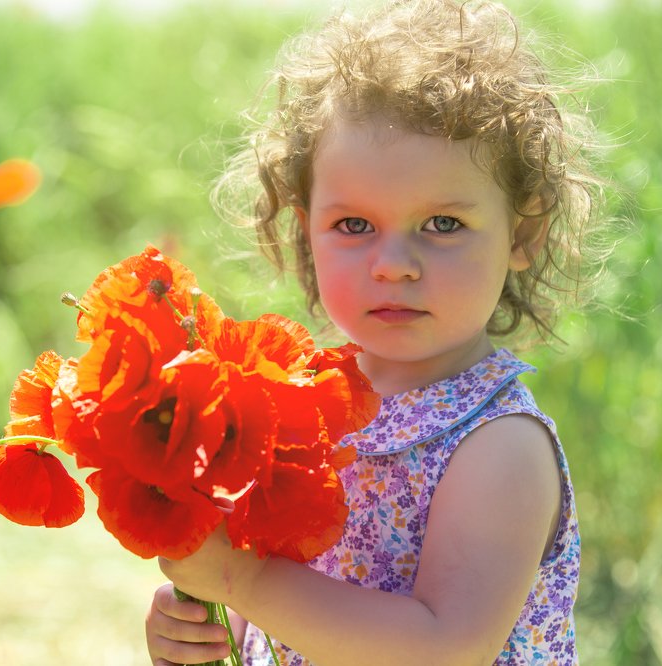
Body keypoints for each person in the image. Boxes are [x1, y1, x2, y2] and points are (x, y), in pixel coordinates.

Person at [145, 0, 608, 663]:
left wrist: (240, 579)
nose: (393, 266)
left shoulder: (499, 445)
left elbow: (445, 646)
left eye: (443, 224)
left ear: (524, 233)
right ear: (307, 229)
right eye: (355, 226)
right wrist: (213, 622)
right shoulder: (299, 411)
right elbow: (290, 609)